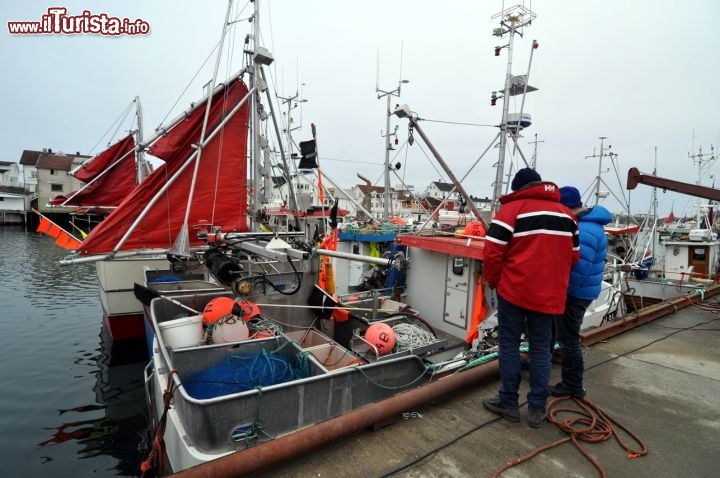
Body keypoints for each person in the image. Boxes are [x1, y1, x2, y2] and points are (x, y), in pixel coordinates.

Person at [482, 168, 579, 428]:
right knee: (541, 349)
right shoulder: (568, 216)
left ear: (518, 188)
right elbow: (574, 257)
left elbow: (491, 254)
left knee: (510, 346)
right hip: (549, 296)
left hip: (514, 291)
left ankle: (509, 403)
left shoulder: (511, 212)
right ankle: (537, 409)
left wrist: (495, 281)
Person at [551, 186, 613, 398]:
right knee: (566, 336)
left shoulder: (583, 229)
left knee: (569, 340)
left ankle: (572, 385)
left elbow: (577, 267)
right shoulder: (590, 225)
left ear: (566, 207)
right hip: (583, 291)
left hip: (575, 293)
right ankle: (570, 381)